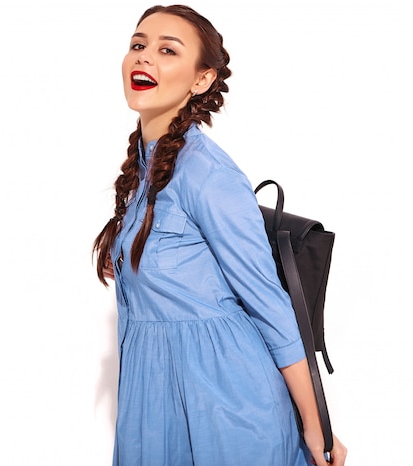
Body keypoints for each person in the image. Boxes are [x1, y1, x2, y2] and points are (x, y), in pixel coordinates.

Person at [93, 4, 347, 466]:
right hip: (156, 400)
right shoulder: (146, 169)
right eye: (138, 45)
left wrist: (317, 426)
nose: (145, 57)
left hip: (225, 405)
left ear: (201, 80)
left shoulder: (207, 173)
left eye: (168, 50)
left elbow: (270, 305)